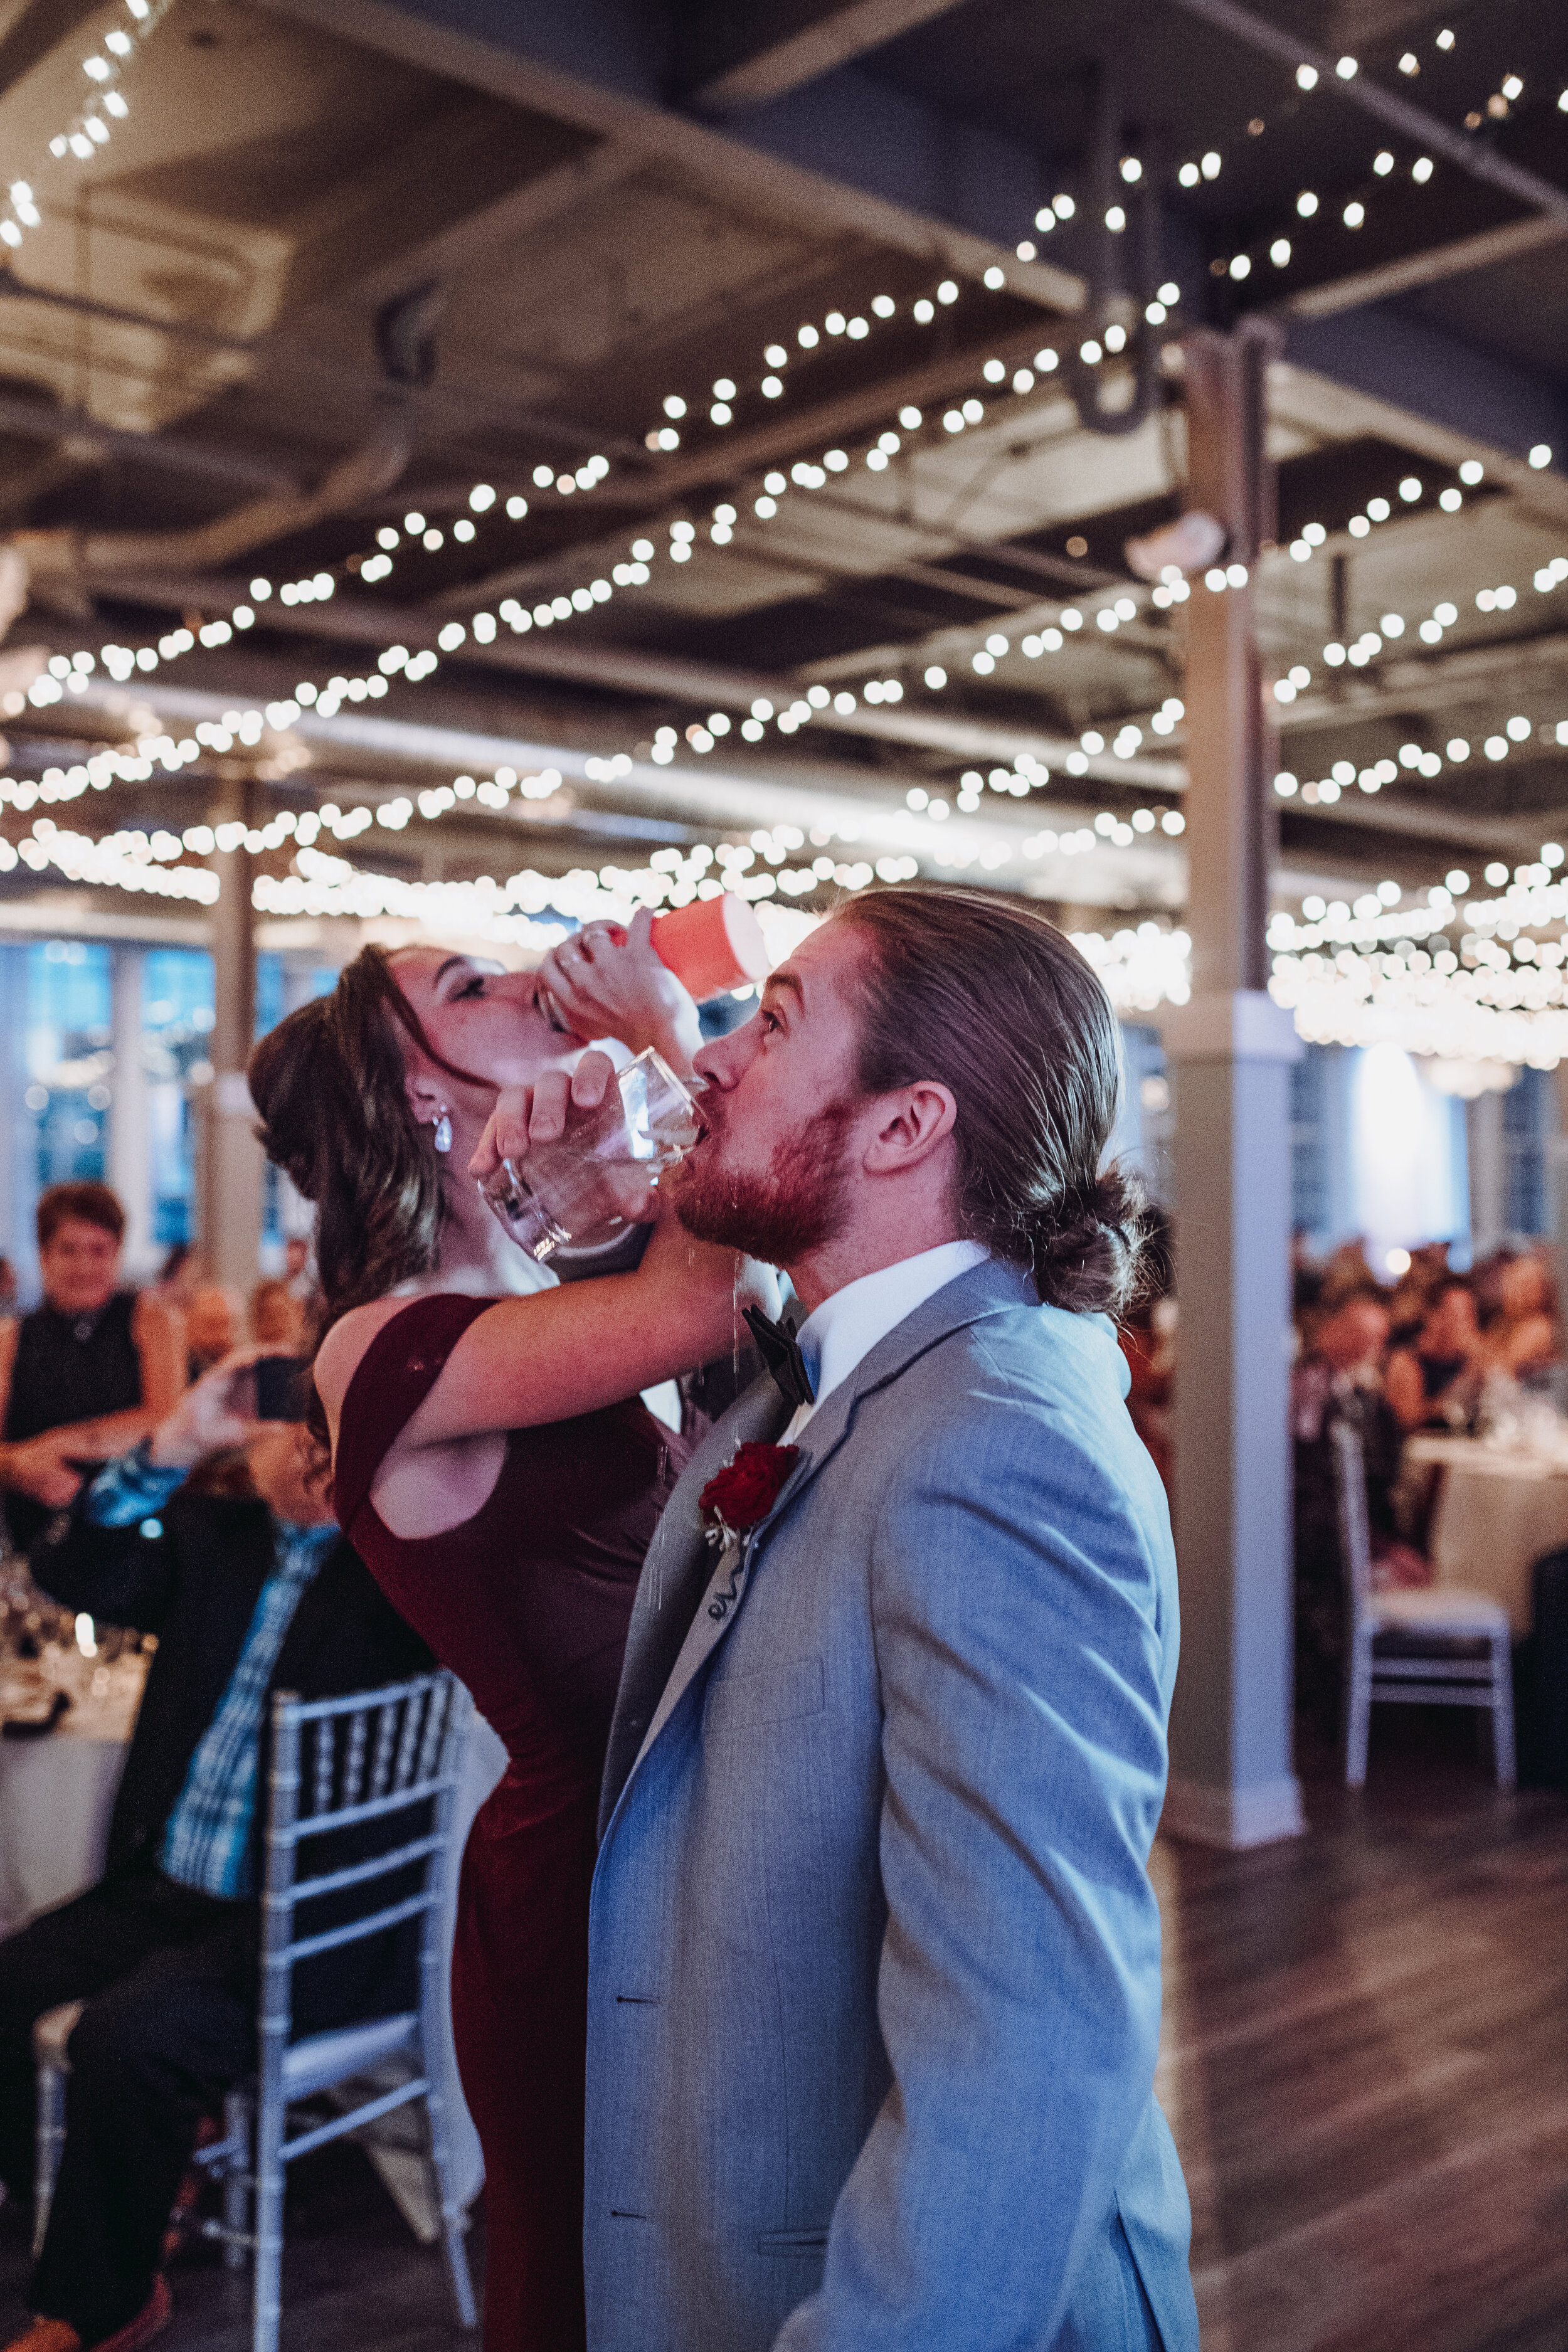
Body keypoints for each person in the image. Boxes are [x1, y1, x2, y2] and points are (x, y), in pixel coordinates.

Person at [586, 887, 1197, 2352]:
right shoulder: (852, 1372)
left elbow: (1026, 2042)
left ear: (907, 1125)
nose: (709, 1057)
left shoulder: (995, 1445)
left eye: (771, 1022)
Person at [247, 920, 773, 2352]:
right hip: (583, 1873)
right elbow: (703, 1299)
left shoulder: (532, 1289)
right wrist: (665, 1026)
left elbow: (741, 1305)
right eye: (464, 989)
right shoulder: (379, 1345)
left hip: (678, 1833)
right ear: (421, 1090)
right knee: (591, 2278)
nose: (519, 980)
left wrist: (627, 1128)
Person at [0, 1347, 432, 2352]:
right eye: (291, 1420)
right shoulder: (214, 1536)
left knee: (126, 2036)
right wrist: (171, 1442)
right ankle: (114, 2200)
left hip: (298, 1918)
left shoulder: (401, 1572)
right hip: (167, 1886)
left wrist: (389, 1474)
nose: (308, 1446)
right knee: (11, 1982)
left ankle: (99, 2304)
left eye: (329, 1428)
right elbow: (70, 1569)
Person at [0, 1185, 183, 1555]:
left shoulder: (151, 1319)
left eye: (99, 1250)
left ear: (117, 1253)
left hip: (135, 1534)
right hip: (35, 1540)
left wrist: (51, 1445)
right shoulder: (11, 1338)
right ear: (44, 1256)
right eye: (68, 1250)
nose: (83, 1267)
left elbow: (165, 1420)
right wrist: (17, 1467)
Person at [1385, 1278, 1483, 1432]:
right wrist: (1445, 1404)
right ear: (1433, 1316)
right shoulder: (1409, 1361)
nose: (1465, 1324)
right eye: (1456, 1316)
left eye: (1469, 1315)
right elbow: (1406, 1419)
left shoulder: (1471, 1361)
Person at [182, 1285, 238, 1382]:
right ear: (191, 1324)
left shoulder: (239, 1369)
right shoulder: (180, 1371)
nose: (222, 1336)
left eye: (226, 1325)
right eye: (212, 1325)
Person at [247, 1276, 306, 1353]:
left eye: (281, 1314)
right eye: (269, 1317)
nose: (277, 1323)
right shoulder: (248, 1356)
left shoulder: (309, 1353)